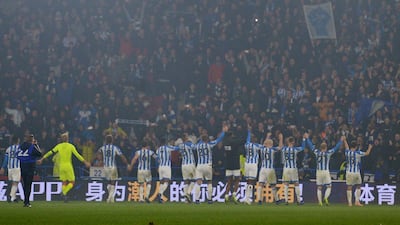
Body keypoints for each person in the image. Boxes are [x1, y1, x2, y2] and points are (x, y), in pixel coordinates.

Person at [38, 132, 91, 202]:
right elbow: (77, 155)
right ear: (67, 139)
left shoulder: (59, 146)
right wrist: (85, 162)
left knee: (64, 182)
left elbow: (50, 152)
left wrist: (42, 159)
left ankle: (64, 197)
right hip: (68, 166)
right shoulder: (70, 146)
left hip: (61, 166)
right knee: (72, 182)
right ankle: (64, 192)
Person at [193, 125, 228, 204]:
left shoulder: (197, 146)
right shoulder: (210, 144)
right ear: (207, 139)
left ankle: (197, 200)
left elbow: (193, 147)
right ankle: (209, 199)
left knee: (198, 182)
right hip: (208, 165)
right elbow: (219, 140)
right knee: (209, 182)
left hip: (199, 166)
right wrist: (223, 132)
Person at [307, 136, 344, 206]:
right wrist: (341, 141)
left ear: (320, 148)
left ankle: (320, 202)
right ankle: (326, 197)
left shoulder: (317, 152)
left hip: (319, 172)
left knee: (319, 187)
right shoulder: (328, 153)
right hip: (325, 171)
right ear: (326, 147)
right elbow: (336, 148)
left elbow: (311, 146)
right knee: (329, 186)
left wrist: (307, 139)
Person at [97, 134, 128, 203]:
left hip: (106, 167)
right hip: (113, 166)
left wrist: (100, 160)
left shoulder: (102, 147)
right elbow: (121, 156)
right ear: (112, 140)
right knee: (113, 182)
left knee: (109, 182)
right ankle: (110, 198)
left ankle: (111, 197)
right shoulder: (115, 148)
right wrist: (126, 162)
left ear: (105, 140)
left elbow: (98, 153)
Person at [343, 137, 373, 206]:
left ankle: (350, 203)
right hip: (356, 172)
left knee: (349, 187)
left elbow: (346, 147)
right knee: (358, 186)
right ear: (356, 146)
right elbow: (367, 153)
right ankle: (357, 201)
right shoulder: (358, 153)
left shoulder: (347, 152)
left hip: (349, 172)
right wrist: (370, 147)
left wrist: (345, 140)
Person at [256, 132, 283, 205]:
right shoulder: (272, 150)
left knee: (261, 184)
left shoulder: (262, 149)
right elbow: (280, 147)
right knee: (273, 185)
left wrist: (267, 136)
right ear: (270, 145)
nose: (272, 145)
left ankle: (259, 200)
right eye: (271, 144)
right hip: (270, 169)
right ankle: (277, 200)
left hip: (262, 169)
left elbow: (264, 144)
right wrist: (281, 138)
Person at [281, 134, 307, 205]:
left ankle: (286, 201)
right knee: (296, 183)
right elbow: (303, 147)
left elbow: (280, 148)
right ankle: (299, 200)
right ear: (293, 142)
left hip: (286, 168)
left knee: (286, 184)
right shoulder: (295, 149)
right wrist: (304, 139)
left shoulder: (284, 149)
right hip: (293, 168)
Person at [223, 126, 246, 204]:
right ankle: (234, 194)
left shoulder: (225, 142)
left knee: (229, 181)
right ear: (232, 135)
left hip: (228, 165)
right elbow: (243, 141)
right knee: (237, 180)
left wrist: (225, 132)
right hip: (235, 164)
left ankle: (226, 196)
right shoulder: (234, 142)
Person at [17, 134, 42, 207]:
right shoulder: (32, 147)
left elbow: (17, 155)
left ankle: (25, 201)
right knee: (28, 184)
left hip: (22, 167)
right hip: (30, 167)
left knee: (25, 184)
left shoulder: (20, 146)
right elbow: (39, 153)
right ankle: (27, 202)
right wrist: (36, 145)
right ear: (31, 139)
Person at [155, 138, 179, 203]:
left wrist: (157, 167)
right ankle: (160, 193)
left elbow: (156, 159)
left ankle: (160, 198)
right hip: (166, 167)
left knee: (161, 182)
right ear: (165, 142)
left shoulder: (158, 149)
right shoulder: (168, 147)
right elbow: (176, 148)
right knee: (166, 182)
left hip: (160, 167)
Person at [243, 128, 262, 204]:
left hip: (247, 164)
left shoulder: (246, 145)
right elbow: (265, 147)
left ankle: (246, 198)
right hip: (253, 164)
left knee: (247, 181)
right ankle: (248, 199)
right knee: (251, 181)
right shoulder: (257, 146)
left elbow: (247, 139)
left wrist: (249, 131)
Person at [0, 136, 21, 202]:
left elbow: (6, 159)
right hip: (16, 167)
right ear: (18, 140)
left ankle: (13, 198)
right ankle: (10, 195)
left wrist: (3, 167)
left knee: (11, 182)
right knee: (15, 182)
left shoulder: (8, 149)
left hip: (10, 168)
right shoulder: (20, 148)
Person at [177, 133, 196, 203]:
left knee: (186, 181)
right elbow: (195, 147)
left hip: (183, 165)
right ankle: (188, 193)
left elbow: (176, 150)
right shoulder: (189, 144)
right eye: (187, 136)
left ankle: (186, 199)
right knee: (194, 179)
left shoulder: (180, 145)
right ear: (185, 138)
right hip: (190, 164)